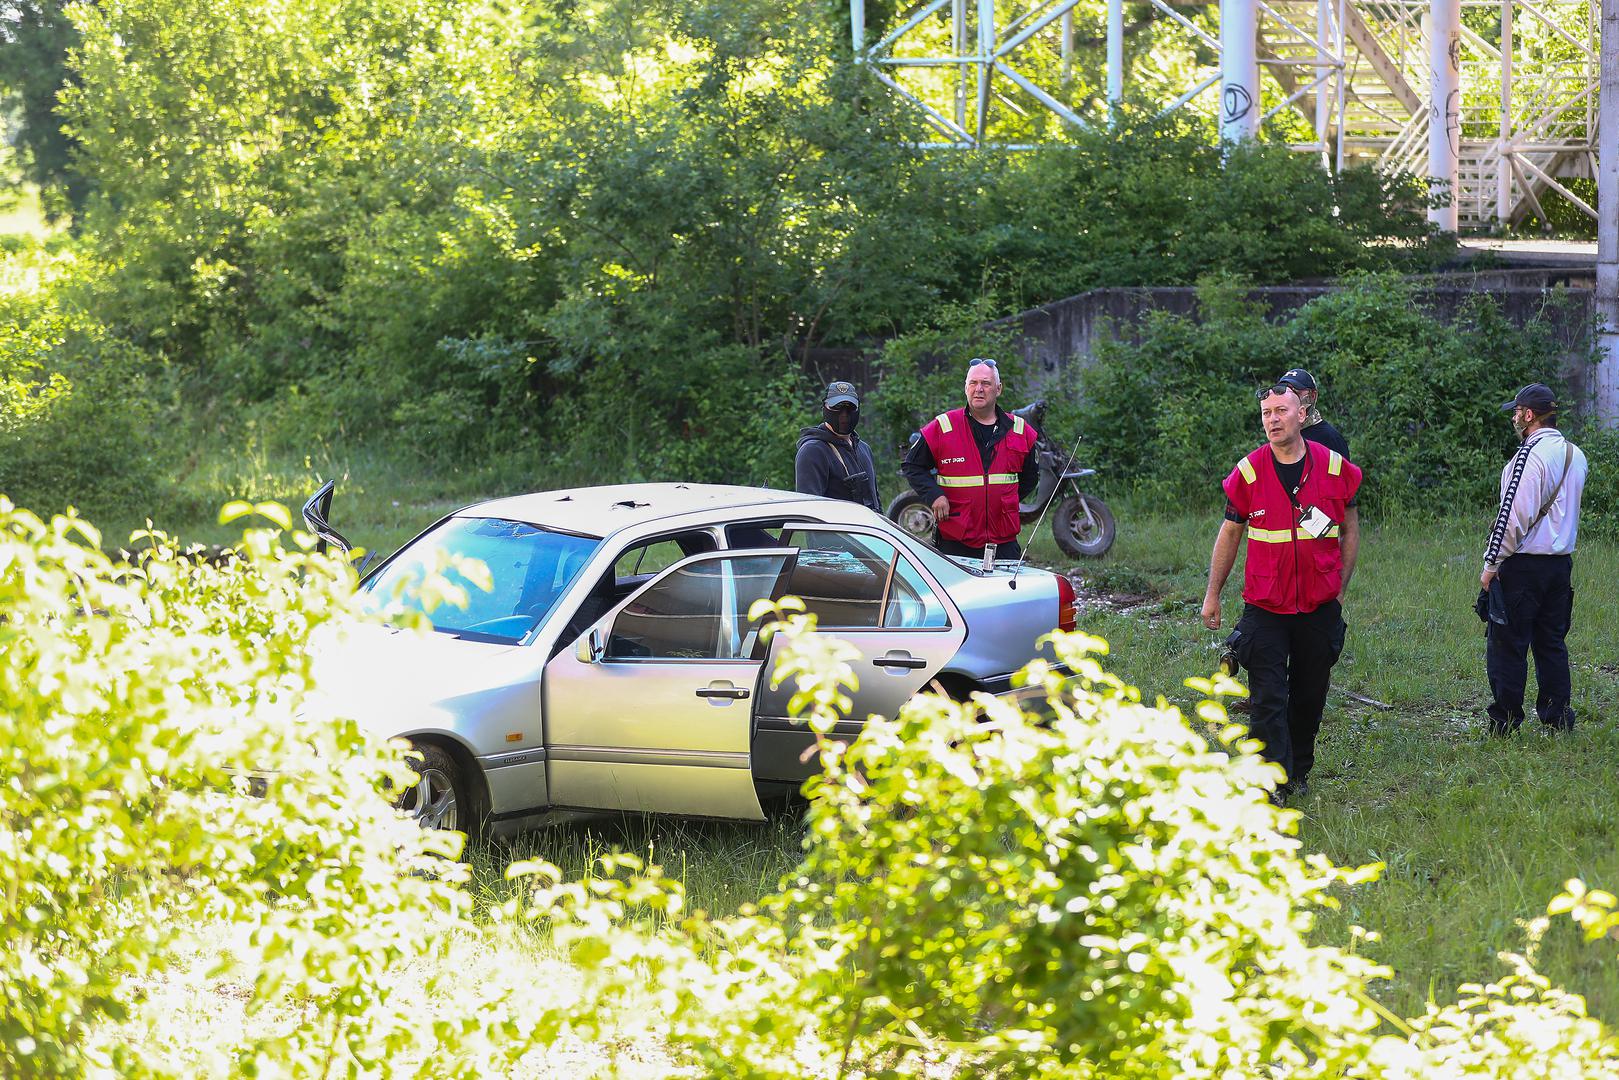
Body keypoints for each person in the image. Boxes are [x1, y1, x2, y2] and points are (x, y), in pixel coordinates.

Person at [1201, 382, 1361, 803]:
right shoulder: (1249, 472)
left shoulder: (1332, 467)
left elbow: (1349, 529)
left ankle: (1299, 769)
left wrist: (1340, 587)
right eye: (1266, 413)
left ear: (1302, 414)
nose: (1272, 419)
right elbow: (1230, 532)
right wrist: (1213, 593)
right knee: (1268, 698)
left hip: (1318, 605)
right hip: (1266, 605)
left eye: (1281, 411)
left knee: (1309, 696)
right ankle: (1273, 781)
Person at [1480, 383, 1588, 736]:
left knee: (1508, 645)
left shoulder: (1529, 455)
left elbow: (1513, 516)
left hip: (1524, 565)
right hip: (1560, 565)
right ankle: (1557, 719)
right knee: (1551, 643)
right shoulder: (1576, 454)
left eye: (1516, 411)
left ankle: (1505, 722)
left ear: (1528, 415)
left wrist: (1492, 563)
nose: (1514, 417)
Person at [902, 358, 1040, 561]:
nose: (979, 389)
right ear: (965, 388)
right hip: (955, 540)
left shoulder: (1020, 430)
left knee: (1003, 593)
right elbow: (912, 466)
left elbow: (1030, 478)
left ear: (998, 389)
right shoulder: (944, 426)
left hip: (1003, 543)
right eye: (973, 383)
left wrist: (1004, 502)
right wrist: (934, 496)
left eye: (986, 383)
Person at [795, 380, 880, 510]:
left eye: (850, 408)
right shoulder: (813, 452)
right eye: (837, 407)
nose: (844, 415)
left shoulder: (864, 449)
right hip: (837, 530)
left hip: (869, 529)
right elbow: (809, 515)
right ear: (824, 408)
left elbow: (876, 502)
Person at [1275, 367, 1350, 459]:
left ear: (1312, 395)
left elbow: (1343, 473)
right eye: (1284, 392)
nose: (1290, 398)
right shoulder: (1279, 434)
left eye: (1295, 392)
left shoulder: (1330, 438)